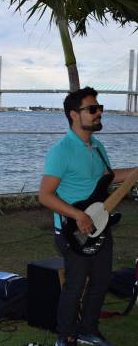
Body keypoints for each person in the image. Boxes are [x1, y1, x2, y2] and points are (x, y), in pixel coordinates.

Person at [38, 87, 135, 346]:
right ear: (73, 114)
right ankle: (65, 336)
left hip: (100, 225)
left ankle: (88, 330)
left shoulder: (98, 147)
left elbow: (108, 178)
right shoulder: (62, 150)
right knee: (76, 285)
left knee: (102, 281)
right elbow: (45, 195)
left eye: (99, 107)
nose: (99, 112)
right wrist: (77, 214)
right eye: (92, 109)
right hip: (73, 230)